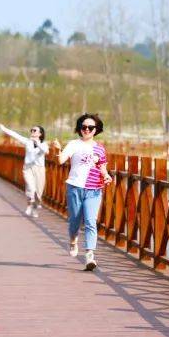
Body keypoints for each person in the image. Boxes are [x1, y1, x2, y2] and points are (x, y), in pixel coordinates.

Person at [54, 113, 113, 271]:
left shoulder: (99, 148)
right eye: (84, 127)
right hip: (75, 187)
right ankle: (73, 240)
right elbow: (61, 161)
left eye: (90, 127)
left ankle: (89, 255)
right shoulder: (74, 144)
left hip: (94, 189)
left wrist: (107, 176)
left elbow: (102, 168)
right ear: (80, 128)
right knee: (74, 221)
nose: (86, 130)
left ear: (96, 130)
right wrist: (58, 150)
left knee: (90, 221)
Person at [0, 123, 49, 217]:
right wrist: (4, 129)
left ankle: (34, 209)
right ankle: (29, 205)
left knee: (38, 193)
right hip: (28, 168)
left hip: (39, 169)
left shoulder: (44, 144)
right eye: (31, 130)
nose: (32, 132)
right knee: (31, 187)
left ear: (40, 134)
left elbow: (46, 151)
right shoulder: (27, 141)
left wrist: (37, 143)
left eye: (34, 130)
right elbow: (15, 135)